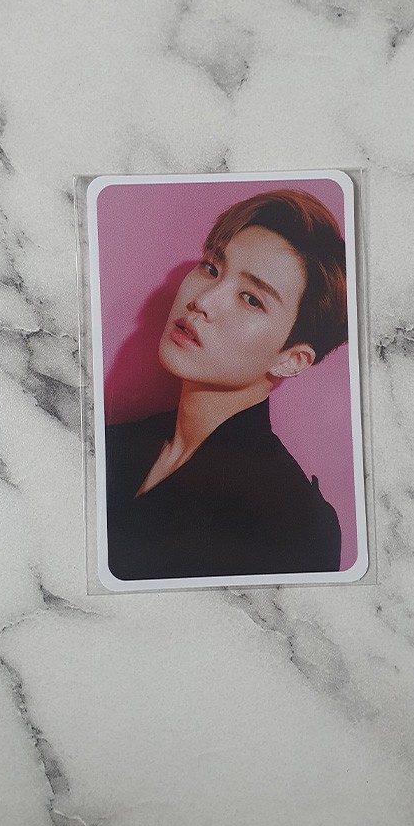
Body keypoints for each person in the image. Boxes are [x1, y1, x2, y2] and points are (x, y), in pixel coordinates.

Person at [104, 188, 348, 580]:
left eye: (251, 299)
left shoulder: (291, 524)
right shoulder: (108, 445)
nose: (203, 301)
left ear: (291, 359)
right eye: (212, 268)